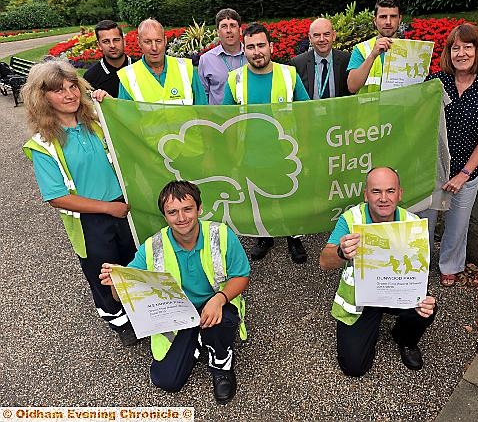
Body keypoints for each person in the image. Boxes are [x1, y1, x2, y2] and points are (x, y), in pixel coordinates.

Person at [21, 60, 138, 346]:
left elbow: (133, 129)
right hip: (90, 220)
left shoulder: (96, 121)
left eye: (73, 86)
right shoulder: (43, 144)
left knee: (133, 261)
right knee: (103, 270)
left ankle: (140, 309)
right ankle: (116, 317)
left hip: (124, 208)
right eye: (59, 90)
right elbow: (57, 197)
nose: (70, 94)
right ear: (42, 98)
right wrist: (109, 208)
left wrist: (110, 104)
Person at [100, 181, 249, 404]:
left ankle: (220, 362)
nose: (181, 217)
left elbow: (241, 275)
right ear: (165, 216)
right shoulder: (152, 246)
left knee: (223, 320)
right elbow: (120, 297)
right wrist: (116, 283)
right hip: (177, 314)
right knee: (166, 381)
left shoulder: (222, 234)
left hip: (216, 303)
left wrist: (220, 298)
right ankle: (199, 338)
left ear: (199, 209)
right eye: (172, 212)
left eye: (187, 209)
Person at [320, 167, 437, 375]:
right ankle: (366, 333)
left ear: (400, 193)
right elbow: (324, 262)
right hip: (362, 299)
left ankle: (405, 338)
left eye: (390, 191)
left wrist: (421, 300)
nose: (384, 198)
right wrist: (341, 252)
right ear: (366, 195)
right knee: (354, 368)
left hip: (398, 292)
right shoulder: (351, 219)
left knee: (427, 307)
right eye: (376, 191)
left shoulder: (412, 223)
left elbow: (419, 269)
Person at [418, 24, 478, 287]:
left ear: (477, 51)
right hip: (433, 167)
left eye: (468, 47)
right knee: (424, 222)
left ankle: (450, 265)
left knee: (457, 224)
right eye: (456, 47)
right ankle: (418, 264)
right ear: (449, 52)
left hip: (466, 171)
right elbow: (419, 122)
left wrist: (464, 173)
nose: (462, 53)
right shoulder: (435, 82)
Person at [223, 23, 310, 264]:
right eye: (250, 47)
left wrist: (304, 147)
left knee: (291, 197)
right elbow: (226, 121)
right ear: (244, 50)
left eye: (261, 45)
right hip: (249, 154)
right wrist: (231, 156)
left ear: (271, 46)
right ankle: (264, 236)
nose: (256, 51)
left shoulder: (288, 74)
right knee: (258, 199)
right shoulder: (234, 79)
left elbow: (305, 112)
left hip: (286, 151)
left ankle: (294, 236)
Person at [108, 18, 207, 104]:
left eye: (158, 41)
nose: (154, 47)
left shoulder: (187, 69)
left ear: (165, 41)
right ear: (139, 43)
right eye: (148, 42)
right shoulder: (128, 77)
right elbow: (126, 120)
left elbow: (203, 113)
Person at [347, 0, 402, 94]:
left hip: (402, 109)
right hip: (370, 109)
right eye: (383, 17)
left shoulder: (411, 49)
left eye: (393, 16)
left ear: (400, 19)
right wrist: (372, 55)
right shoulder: (361, 49)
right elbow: (352, 87)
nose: (388, 22)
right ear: (375, 20)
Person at [289, 17, 351, 99]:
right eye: (317, 35)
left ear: (334, 36)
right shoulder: (297, 63)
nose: (322, 39)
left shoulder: (346, 60)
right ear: (310, 38)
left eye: (326, 34)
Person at [198, 8, 245, 105]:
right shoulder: (206, 59)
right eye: (224, 26)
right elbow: (203, 95)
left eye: (233, 26)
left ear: (240, 30)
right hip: (219, 118)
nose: (229, 30)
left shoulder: (252, 56)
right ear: (218, 32)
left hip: (249, 116)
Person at [83, 20, 132, 97]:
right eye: (106, 41)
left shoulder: (140, 68)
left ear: (124, 41)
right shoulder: (91, 77)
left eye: (116, 40)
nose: (112, 45)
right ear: (99, 45)